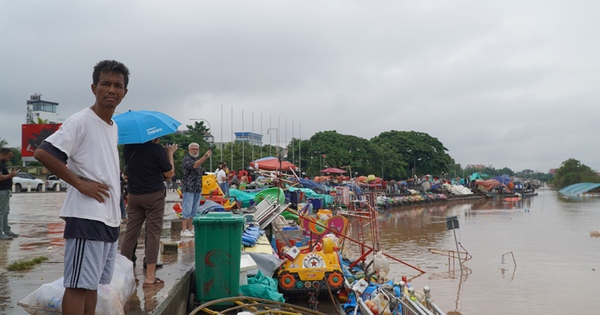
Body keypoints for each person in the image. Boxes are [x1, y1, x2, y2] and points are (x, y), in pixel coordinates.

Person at [34, 60, 129, 315]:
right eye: (105, 84)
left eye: (117, 85)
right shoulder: (81, 121)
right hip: (86, 216)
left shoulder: (113, 126)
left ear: (124, 92)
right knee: (77, 285)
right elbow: (43, 152)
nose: (111, 90)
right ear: (93, 87)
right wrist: (79, 183)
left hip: (108, 218)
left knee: (92, 285)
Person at [120, 137, 176, 287]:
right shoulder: (156, 150)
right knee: (153, 234)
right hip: (153, 196)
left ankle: (125, 275)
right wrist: (169, 153)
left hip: (134, 196)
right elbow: (169, 173)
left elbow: (126, 174)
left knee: (130, 234)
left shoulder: (128, 148)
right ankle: (150, 277)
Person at [180, 143, 211, 237]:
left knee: (194, 209)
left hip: (197, 188)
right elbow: (194, 166)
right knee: (187, 208)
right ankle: (184, 229)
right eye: (193, 149)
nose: (195, 151)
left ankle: (191, 228)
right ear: (189, 150)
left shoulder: (197, 159)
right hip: (188, 187)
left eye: (197, 149)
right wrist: (205, 157)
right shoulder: (186, 159)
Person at [0, 148, 19, 240]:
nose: (9, 159)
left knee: (5, 211)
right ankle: (1, 232)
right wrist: (10, 175)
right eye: (8, 157)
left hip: (5, 190)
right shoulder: (0, 163)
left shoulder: (2, 164)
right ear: (3, 155)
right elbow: (0, 177)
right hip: (2, 190)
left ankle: (6, 230)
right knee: (2, 212)